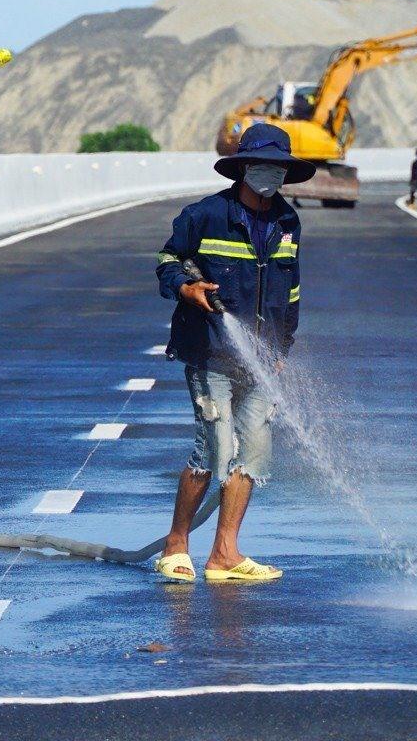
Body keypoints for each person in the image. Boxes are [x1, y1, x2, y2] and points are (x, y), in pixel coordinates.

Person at [152, 122, 311, 584]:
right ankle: (176, 545)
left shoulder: (287, 221)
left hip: (261, 358)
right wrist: (186, 286)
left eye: (278, 167)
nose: (270, 175)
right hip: (210, 353)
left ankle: (225, 554)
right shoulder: (204, 216)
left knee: (255, 454)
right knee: (215, 449)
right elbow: (166, 262)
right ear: (242, 168)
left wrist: (282, 348)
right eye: (262, 166)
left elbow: (292, 290)